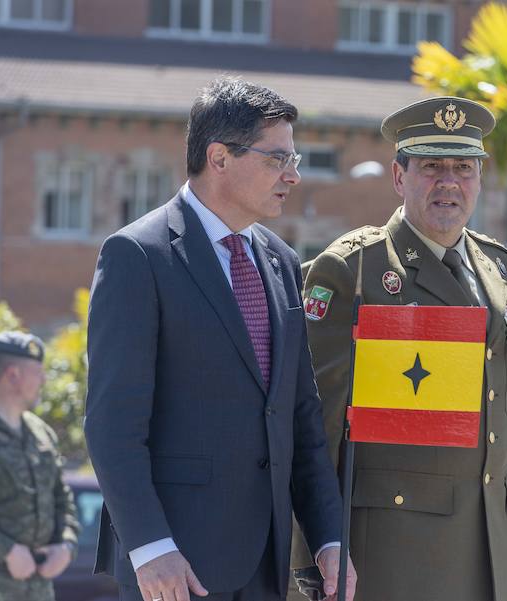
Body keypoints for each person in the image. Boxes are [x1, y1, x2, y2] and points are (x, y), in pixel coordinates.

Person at [84, 78, 353, 601]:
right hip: (173, 569)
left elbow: (299, 417)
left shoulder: (282, 261)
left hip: (266, 567)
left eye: (294, 159)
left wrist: (328, 538)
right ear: (219, 157)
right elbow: (112, 427)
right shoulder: (137, 256)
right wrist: (149, 547)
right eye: (278, 159)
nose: (293, 176)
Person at [291, 96, 507, 601]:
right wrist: (310, 560)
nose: (449, 182)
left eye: (464, 167)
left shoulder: (503, 271)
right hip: (388, 560)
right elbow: (313, 429)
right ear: (399, 177)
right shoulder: (353, 271)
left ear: (480, 179)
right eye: (431, 167)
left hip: (487, 549)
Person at [0, 331, 80, 601]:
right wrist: (5, 550)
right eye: (38, 372)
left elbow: (62, 499)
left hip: (38, 590)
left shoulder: (41, 433)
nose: (43, 380)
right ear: (13, 375)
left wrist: (67, 545)